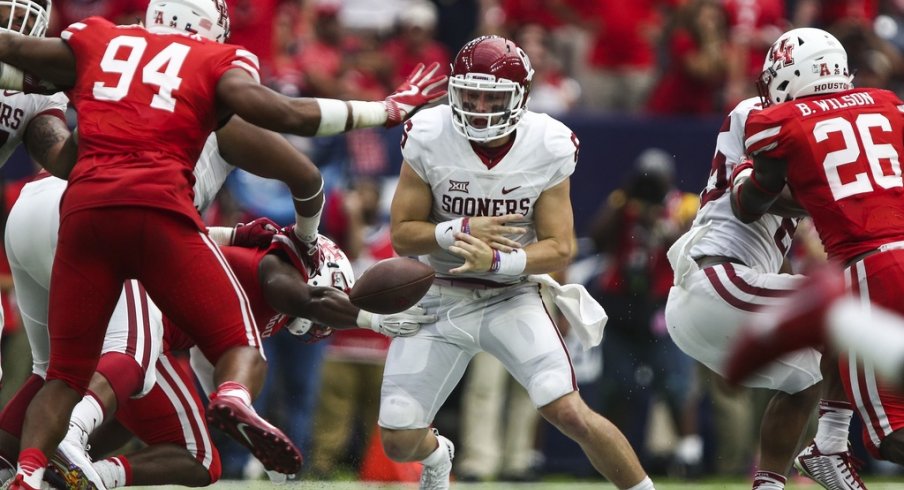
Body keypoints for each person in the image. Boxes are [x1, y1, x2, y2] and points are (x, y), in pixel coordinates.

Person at [0, 0, 447, 487]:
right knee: (174, 349)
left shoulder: (105, 40)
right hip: (147, 212)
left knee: (59, 373)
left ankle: (22, 467)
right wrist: (311, 238)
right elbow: (297, 146)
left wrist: (239, 233)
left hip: (58, 206)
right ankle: (208, 401)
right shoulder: (209, 70)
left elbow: (27, 70)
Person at [381, 35, 655, 490]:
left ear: (522, 97)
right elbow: (402, 233)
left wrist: (500, 260)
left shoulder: (547, 143)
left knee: (567, 410)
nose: (479, 105)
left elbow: (560, 246)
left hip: (512, 295)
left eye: (493, 95)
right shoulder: (429, 133)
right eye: (469, 92)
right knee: (398, 439)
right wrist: (458, 231)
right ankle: (438, 456)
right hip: (439, 293)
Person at [664, 86, 864, 490]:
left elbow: (777, 254)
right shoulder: (757, 115)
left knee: (806, 380)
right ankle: (829, 446)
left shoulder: (793, 127)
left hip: (721, 291)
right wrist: (834, 197)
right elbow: (751, 200)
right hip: (717, 279)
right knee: (854, 307)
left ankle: (769, 483)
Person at [730, 26, 904, 469]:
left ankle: (828, 448)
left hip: (873, 268)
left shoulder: (778, 123)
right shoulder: (888, 102)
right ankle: (827, 447)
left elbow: (752, 204)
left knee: (892, 434)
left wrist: (742, 177)